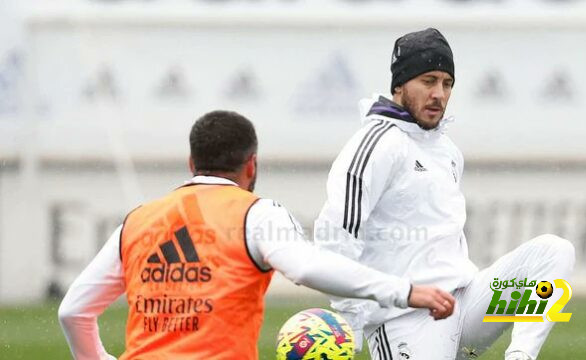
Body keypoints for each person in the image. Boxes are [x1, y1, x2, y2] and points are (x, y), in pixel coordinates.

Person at [58, 110, 456, 360]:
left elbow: (73, 311)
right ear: (251, 165)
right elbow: (308, 267)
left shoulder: (137, 221)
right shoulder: (256, 214)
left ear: (192, 162)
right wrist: (403, 291)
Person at [314, 28, 575, 360]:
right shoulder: (376, 144)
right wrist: (349, 324)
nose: (439, 93)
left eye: (447, 83)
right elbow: (336, 234)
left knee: (554, 252)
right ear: (399, 85)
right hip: (403, 320)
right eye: (428, 81)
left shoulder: (447, 150)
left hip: (464, 306)